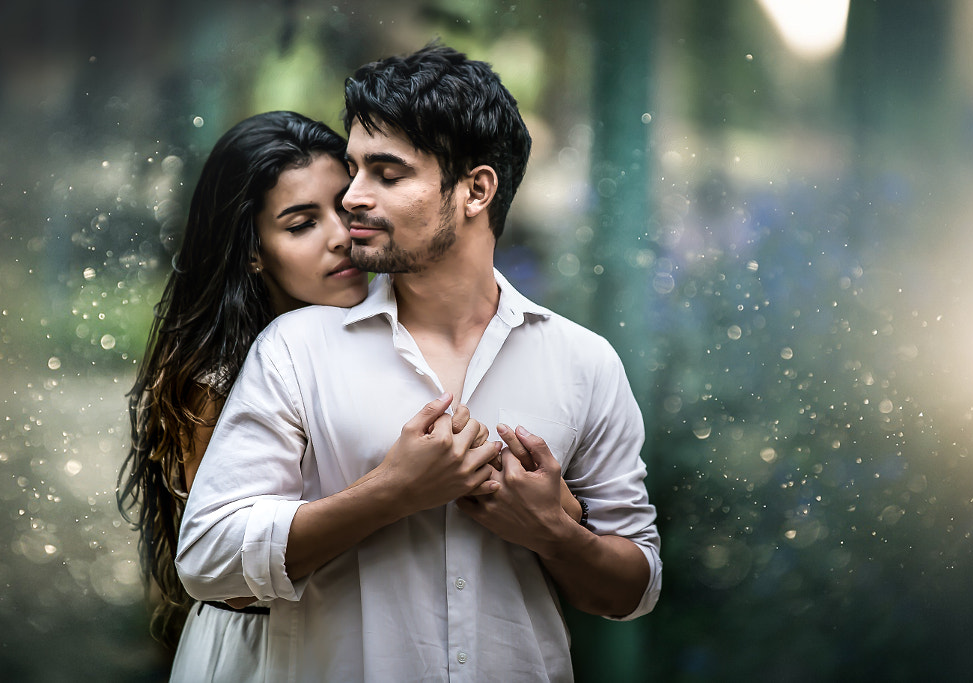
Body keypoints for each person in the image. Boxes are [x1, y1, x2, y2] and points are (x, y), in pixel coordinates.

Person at [177, 44, 661, 682]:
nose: (352, 198)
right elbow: (207, 559)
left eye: (387, 173)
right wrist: (393, 491)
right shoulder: (297, 348)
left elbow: (633, 590)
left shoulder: (583, 361)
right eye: (352, 170)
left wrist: (553, 533)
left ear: (475, 190)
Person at [117, 110, 498, 681]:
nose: (342, 237)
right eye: (300, 225)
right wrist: (396, 487)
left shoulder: (405, 336)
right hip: (266, 650)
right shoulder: (216, 381)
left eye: (344, 207)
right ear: (252, 250)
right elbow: (231, 580)